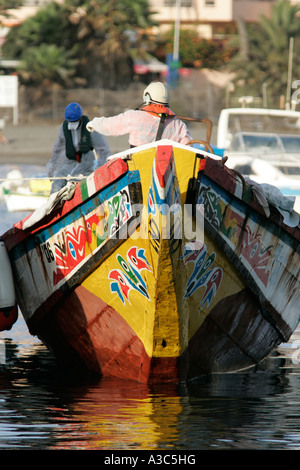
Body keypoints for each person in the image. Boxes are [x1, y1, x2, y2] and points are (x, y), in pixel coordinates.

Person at [86, 82, 192, 147]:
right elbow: (187, 147)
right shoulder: (179, 125)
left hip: (137, 170)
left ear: (147, 97)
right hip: (166, 174)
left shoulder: (135, 117)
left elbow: (110, 125)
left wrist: (93, 124)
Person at [47, 102, 111, 194]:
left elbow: (104, 150)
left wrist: (99, 170)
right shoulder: (64, 128)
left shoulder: (91, 128)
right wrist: (52, 165)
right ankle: (54, 205)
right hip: (70, 161)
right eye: (70, 122)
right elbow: (58, 148)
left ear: (80, 118)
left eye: (75, 121)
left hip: (87, 161)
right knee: (57, 184)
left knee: (76, 183)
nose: (72, 124)